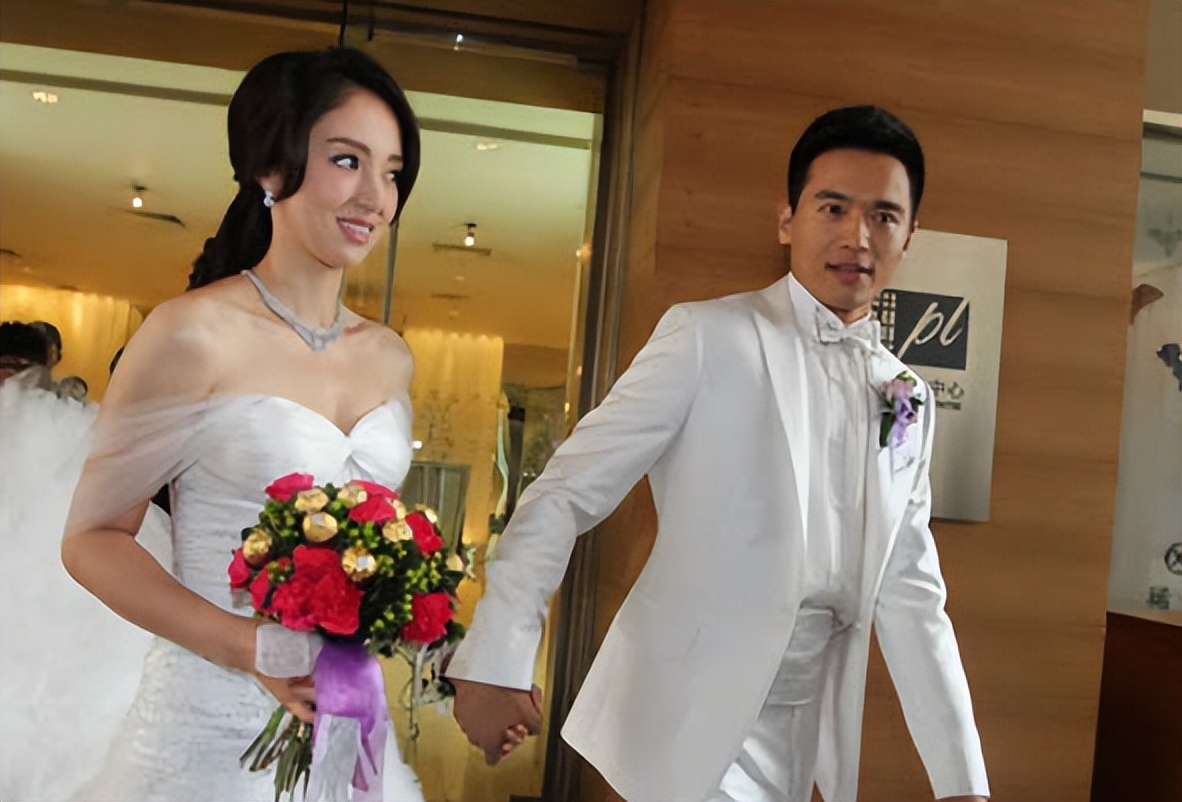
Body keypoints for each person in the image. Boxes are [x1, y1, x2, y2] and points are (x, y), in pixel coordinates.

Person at [446, 106, 990, 802]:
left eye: (884, 216)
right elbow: (565, 493)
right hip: (691, 712)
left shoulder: (906, 392)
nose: (857, 236)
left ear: (910, 236)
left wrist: (961, 782)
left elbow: (911, 590)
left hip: (806, 724)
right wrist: (496, 657)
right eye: (833, 208)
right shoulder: (705, 338)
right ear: (787, 219)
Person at [56, 47, 461, 801]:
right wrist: (253, 647)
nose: (375, 196)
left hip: (344, 719)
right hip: (204, 729)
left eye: (393, 172)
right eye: (347, 160)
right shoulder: (191, 333)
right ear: (270, 169)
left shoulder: (390, 356)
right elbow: (91, 541)